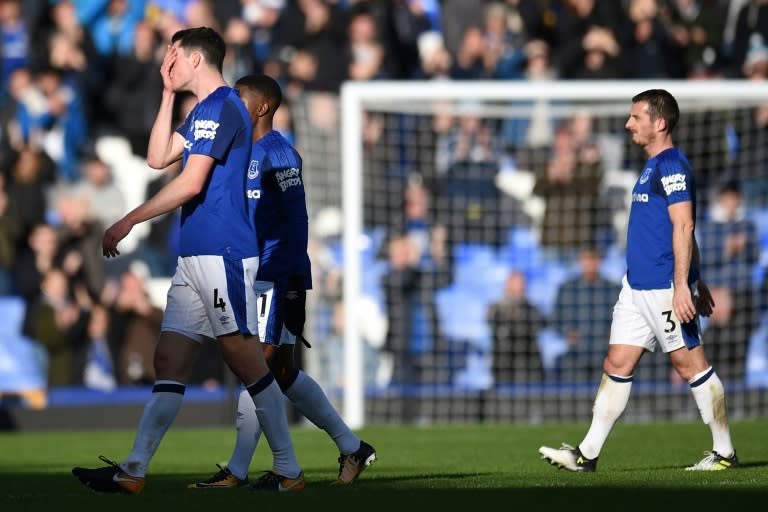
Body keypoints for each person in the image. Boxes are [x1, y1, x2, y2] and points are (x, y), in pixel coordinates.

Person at [71, 27, 304, 494]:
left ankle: (289, 468)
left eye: (172, 56)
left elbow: (191, 182)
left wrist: (129, 219)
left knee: (244, 359)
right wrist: (164, 92)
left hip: (223, 253)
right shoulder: (202, 109)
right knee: (169, 357)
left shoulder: (223, 107)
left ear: (195, 59)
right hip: (193, 255)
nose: (168, 62)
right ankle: (133, 471)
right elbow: (158, 157)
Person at [187, 74, 376, 489]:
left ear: (261, 108)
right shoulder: (236, 152)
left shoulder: (278, 153)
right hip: (249, 273)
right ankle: (352, 447)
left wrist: (289, 279)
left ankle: (238, 471)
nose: (231, 107)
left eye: (239, 100)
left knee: (256, 365)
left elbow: (296, 220)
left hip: (274, 275)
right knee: (283, 372)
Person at [539, 89, 738, 472]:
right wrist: (699, 278)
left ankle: (725, 452)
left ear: (659, 122)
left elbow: (684, 224)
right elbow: (677, 229)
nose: (629, 123)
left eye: (636, 117)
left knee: (690, 366)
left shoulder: (672, 165)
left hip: (664, 286)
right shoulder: (651, 166)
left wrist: (685, 285)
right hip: (636, 287)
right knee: (617, 360)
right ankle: (587, 454)